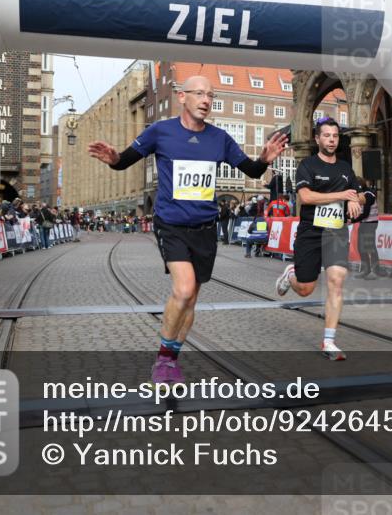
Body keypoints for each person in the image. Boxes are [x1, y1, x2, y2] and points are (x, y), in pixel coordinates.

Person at [88, 75, 288, 384]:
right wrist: (114, 159)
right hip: (171, 224)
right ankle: (163, 359)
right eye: (199, 94)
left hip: (205, 227)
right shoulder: (160, 131)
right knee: (182, 290)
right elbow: (124, 161)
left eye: (211, 95)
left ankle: (172, 357)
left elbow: (251, 169)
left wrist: (263, 159)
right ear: (182, 97)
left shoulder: (219, 138)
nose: (206, 100)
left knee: (191, 298)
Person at [274, 117, 363, 360]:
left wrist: (355, 199)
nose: (332, 140)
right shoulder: (308, 166)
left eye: (335, 136)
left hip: (335, 231)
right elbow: (307, 197)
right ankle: (291, 274)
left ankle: (329, 341)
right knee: (305, 289)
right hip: (310, 232)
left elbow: (356, 192)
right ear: (317, 138)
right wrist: (342, 195)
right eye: (327, 135)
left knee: (336, 280)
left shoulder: (345, 168)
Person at [354, 179, 381, 279]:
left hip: (370, 224)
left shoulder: (368, 195)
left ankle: (376, 271)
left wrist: (353, 220)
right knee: (361, 247)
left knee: (370, 247)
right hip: (364, 223)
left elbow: (365, 213)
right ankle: (366, 270)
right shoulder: (361, 195)